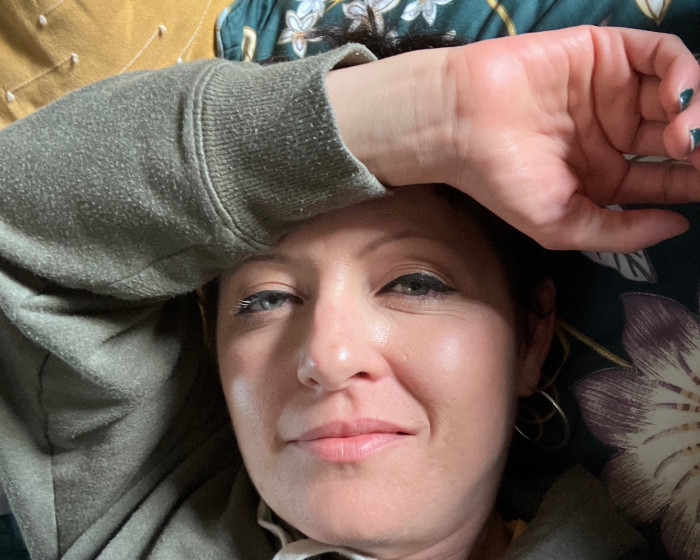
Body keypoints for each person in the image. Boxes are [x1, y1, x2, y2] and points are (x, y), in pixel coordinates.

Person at [0, 24, 699, 560]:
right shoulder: (141, 517)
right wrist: (428, 111)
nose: (328, 358)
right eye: (265, 299)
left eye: (414, 283)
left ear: (533, 336)